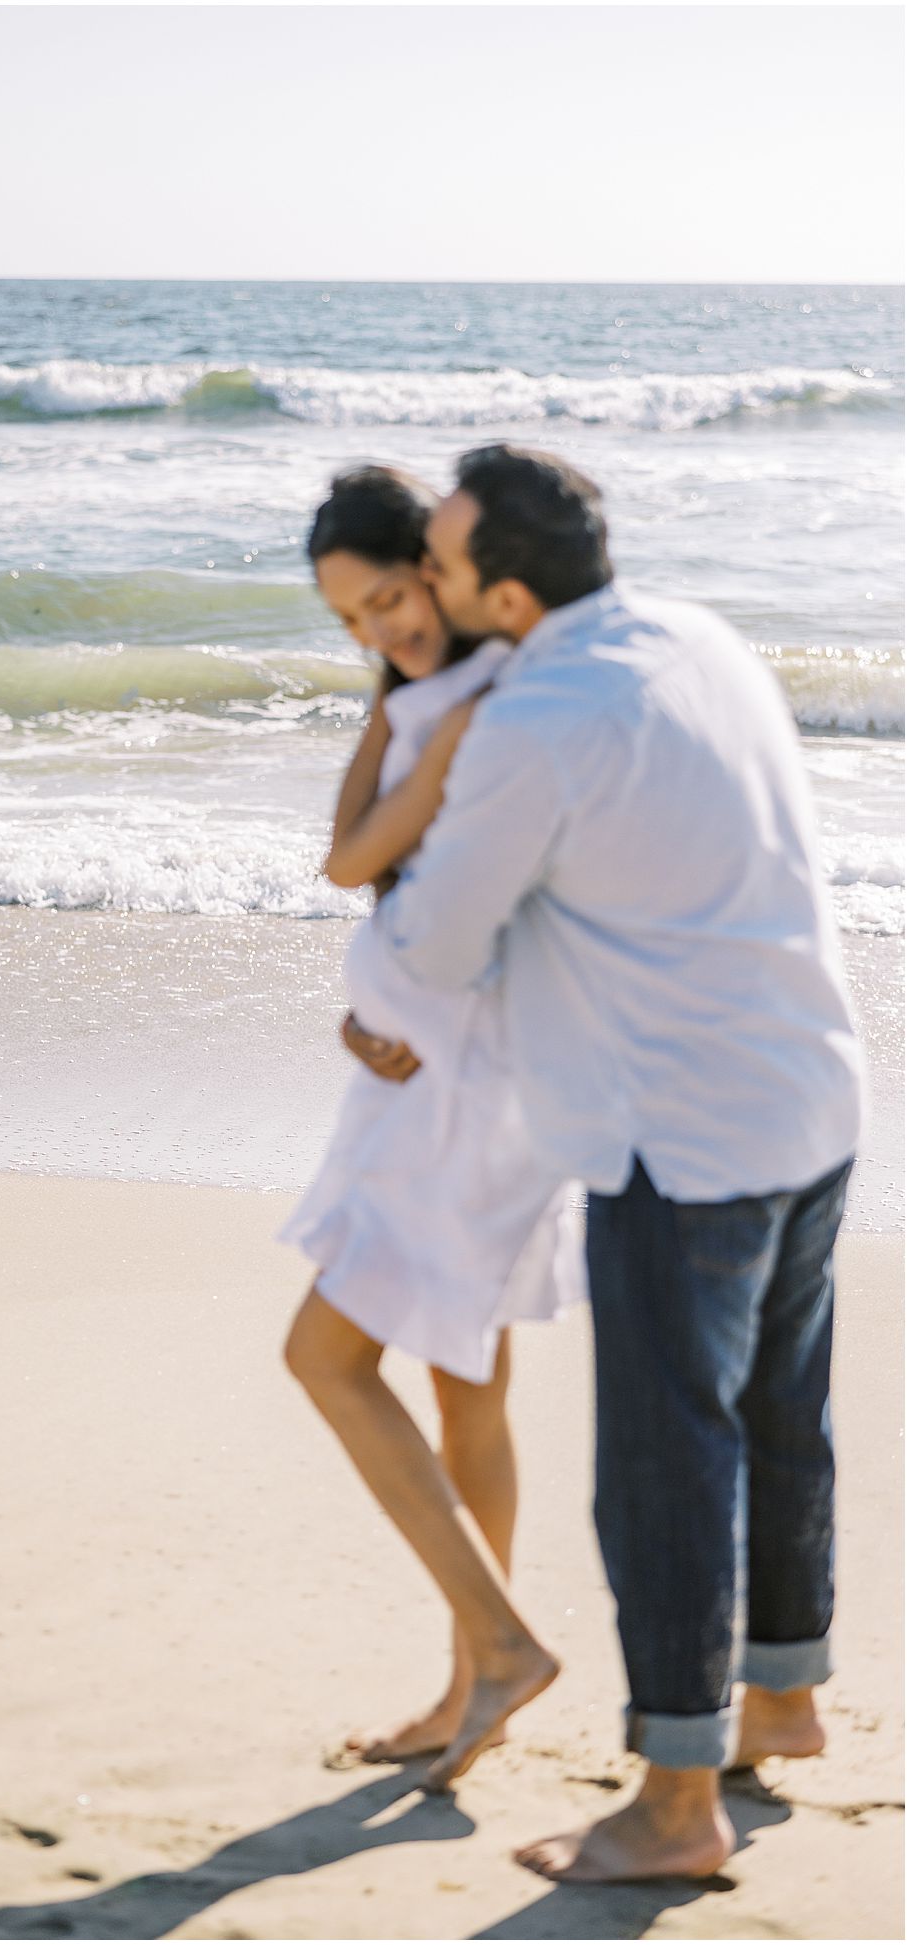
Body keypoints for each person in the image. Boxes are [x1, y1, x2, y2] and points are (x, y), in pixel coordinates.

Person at [347, 443, 862, 1881]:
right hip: (812, 1092)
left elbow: (438, 941)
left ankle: (680, 1804)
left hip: (683, 1139)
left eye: (441, 568)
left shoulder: (543, 712)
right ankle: (784, 1694)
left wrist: (372, 982)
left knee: (663, 1462)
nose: (429, 591)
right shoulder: (698, 635)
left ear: (507, 591)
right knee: (778, 1421)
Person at [281, 467, 582, 1792]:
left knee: (327, 1356)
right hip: (444, 1073)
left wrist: (426, 728)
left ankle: (500, 1648)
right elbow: (354, 844)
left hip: (466, 1090)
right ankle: (477, 1687)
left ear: (442, 572)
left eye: (392, 596)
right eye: (350, 618)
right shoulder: (424, 692)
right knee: (471, 1382)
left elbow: (356, 863)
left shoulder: (486, 703)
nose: (378, 630)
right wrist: (367, 1013)